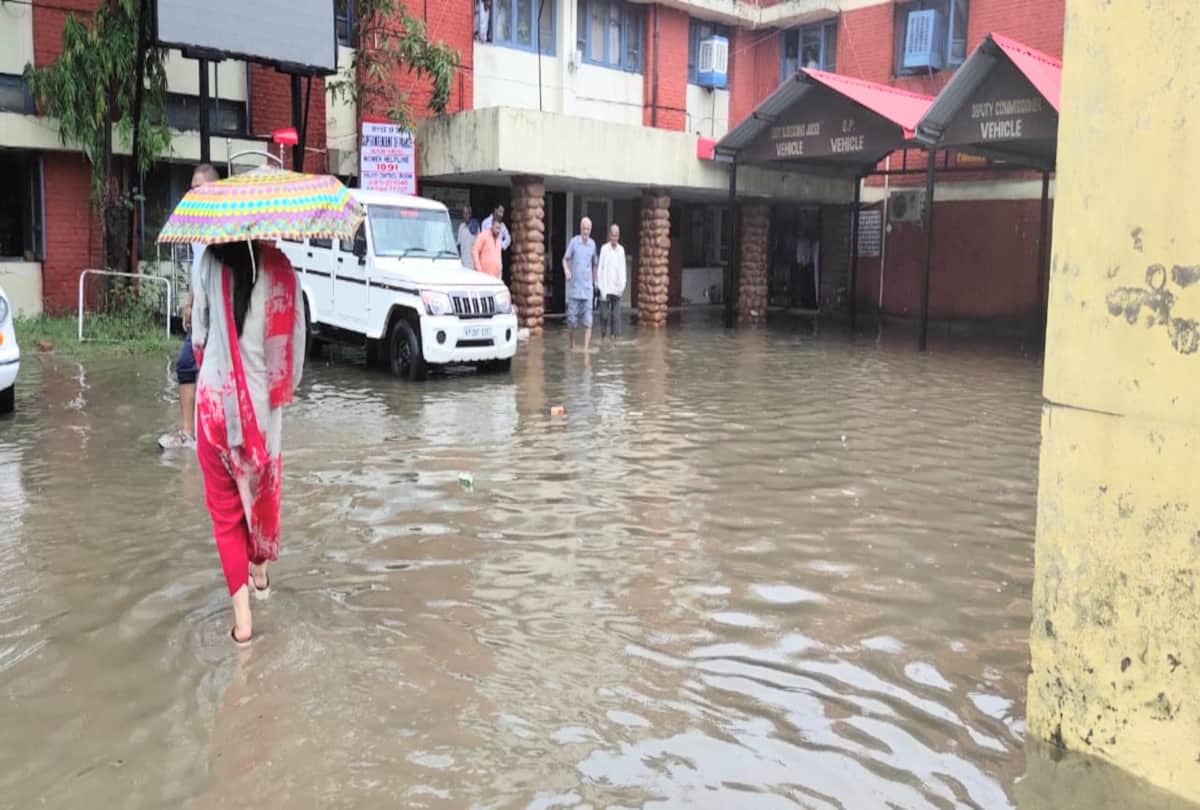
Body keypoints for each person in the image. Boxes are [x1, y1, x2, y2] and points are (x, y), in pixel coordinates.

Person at [192, 239, 306, 646]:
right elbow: (293, 368)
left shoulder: (209, 261)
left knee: (226, 518)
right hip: (262, 417)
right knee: (259, 502)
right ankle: (260, 574)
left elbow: (199, 339)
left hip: (214, 411)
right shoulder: (284, 271)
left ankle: (243, 625)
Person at [161, 163, 219, 450]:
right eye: (191, 188)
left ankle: (213, 434)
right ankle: (188, 432)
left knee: (213, 372)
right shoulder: (196, 227)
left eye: (198, 188)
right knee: (186, 365)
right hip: (200, 312)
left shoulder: (223, 226)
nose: (192, 193)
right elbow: (198, 269)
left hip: (219, 314)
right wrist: (189, 302)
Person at [563, 216, 597, 352]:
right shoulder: (574, 242)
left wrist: (595, 282)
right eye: (584, 228)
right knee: (572, 320)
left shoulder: (593, 244)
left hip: (587, 289)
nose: (586, 231)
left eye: (588, 229)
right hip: (575, 289)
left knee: (588, 321)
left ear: (590, 230)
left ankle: (586, 351)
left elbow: (594, 264)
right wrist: (566, 270)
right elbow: (565, 259)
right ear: (580, 228)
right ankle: (571, 346)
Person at [596, 223, 626, 344]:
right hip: (605, 288)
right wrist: (600, 287)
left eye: (616, 235)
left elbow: (623, 270)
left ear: (618, 236)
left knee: (615, 317)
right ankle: (603, 337)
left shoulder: (621, 250)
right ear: (610, 235)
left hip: (617, 289)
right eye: (613, 235)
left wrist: (622, 287)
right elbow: (600, 269)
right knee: (604, 316)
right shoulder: (604, 249)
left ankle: (613, 341)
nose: (614, 237)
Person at [472, 214, 504, 279]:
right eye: (497, 228)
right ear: (492, 225)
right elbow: (475, 251)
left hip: (495, 278)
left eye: (499, 228)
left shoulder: (498, 240)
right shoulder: (483, 235)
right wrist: (478, 270)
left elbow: (499, 258)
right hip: (483, 277)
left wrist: (500, 274)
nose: (498, 231)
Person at [457, 205, 479, 270]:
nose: (466, 216)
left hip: (473, 264)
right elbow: (459, 244)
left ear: (470, 214)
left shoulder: (476, 227)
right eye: (464, 213)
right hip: (463, 263)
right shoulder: (461, 227)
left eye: (467, 213)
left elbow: (479, 246)